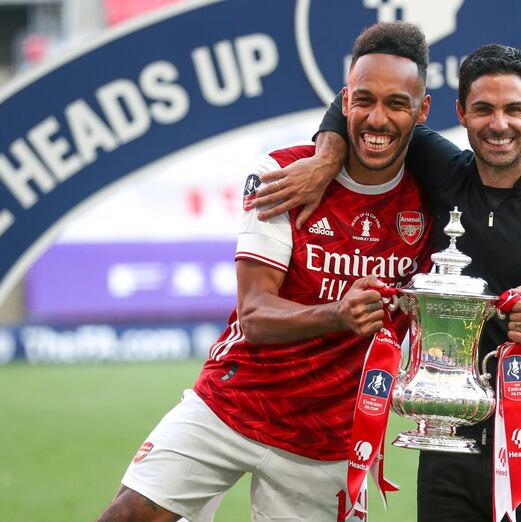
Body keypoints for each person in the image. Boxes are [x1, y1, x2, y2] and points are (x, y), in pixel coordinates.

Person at [256, 43, 521, 521]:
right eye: (483, 109)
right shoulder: (442, 171)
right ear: (460, 112)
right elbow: (358, 105)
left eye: (513, 110)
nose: (498, 124)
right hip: (444, 446)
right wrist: (326, 156)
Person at [96, 22, 436, 522]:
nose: (377, 118)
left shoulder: (437, 197)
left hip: (331, 437)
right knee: (128, 515)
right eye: (364, 100)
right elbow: (254, 315)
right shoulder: (282, 173)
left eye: (395, 104)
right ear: (344, 102)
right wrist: (338, 314)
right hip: (234, 401)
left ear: (421, 111)